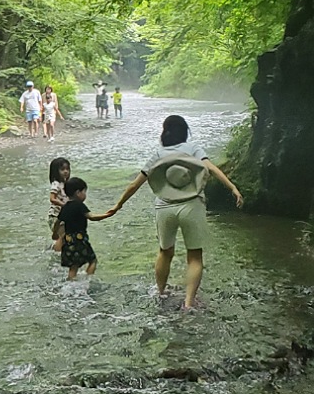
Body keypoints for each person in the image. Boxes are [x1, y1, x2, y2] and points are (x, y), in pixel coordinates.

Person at [107, 114, 243, 309]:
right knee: (194, 256)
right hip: (192, 205)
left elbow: (135, 183)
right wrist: (233, 188)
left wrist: (118, 205)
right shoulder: (194, 148)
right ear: (185, 131)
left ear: (165, 132)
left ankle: (161, 293)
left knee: (165, 252)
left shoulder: (159, 154)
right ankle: (188, 303)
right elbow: (212, 169)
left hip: (165, 206)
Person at [52, 176, 115, 280]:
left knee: (73, 266)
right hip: (80, 240)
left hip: (68, 241)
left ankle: (71, 282)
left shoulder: (65, 207)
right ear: (78, 193)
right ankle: (87, 280)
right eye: (84, 192)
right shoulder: (80, 206)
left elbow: (57, 222)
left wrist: (55, 233)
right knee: (93, 260)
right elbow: (91, 217)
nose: (85, 195)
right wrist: (107, 215)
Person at [48, 157, 71, 247]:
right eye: (62, 169)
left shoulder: (66, 184)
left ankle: (56, 249)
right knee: (63, 237)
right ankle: (56, 251)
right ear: (55, 171)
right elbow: (52, 198)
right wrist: (64, 205)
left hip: (63, 215)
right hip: (55, 215)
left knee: (65, 236)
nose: (65, 171)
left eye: (67, 169)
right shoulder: (56, 184)